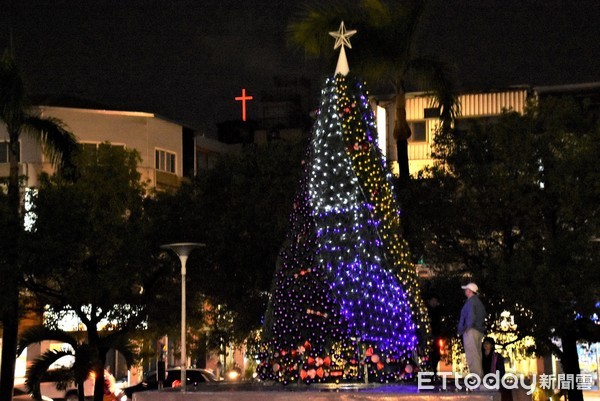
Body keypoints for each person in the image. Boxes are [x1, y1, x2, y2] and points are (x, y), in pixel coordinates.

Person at [457, 282, 486, 379]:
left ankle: (476, 377)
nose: (465, 291)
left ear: (469, 291)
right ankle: (479, 375)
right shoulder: (478, 302)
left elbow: (470, 317)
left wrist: (465, 328)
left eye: (466, 289)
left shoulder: (470, 302)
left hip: (471, 330)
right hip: (478, 330)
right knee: (477, 353)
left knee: (472, 354)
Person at [482, 336, 513, 401]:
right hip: (483, 380)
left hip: (494, 381)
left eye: (488, 343)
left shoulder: (497, 356)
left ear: (492, 345)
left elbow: (501, 370)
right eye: (484, 343)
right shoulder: (480, 356)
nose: (485, 345)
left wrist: (497, 379)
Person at [426, 293, 443, 378]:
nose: (434, 302)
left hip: (435, 335)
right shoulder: (427, 311)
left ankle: (433, 370)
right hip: (429, 336)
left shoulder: (438, 311)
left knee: (436, 354)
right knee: (430, 354)